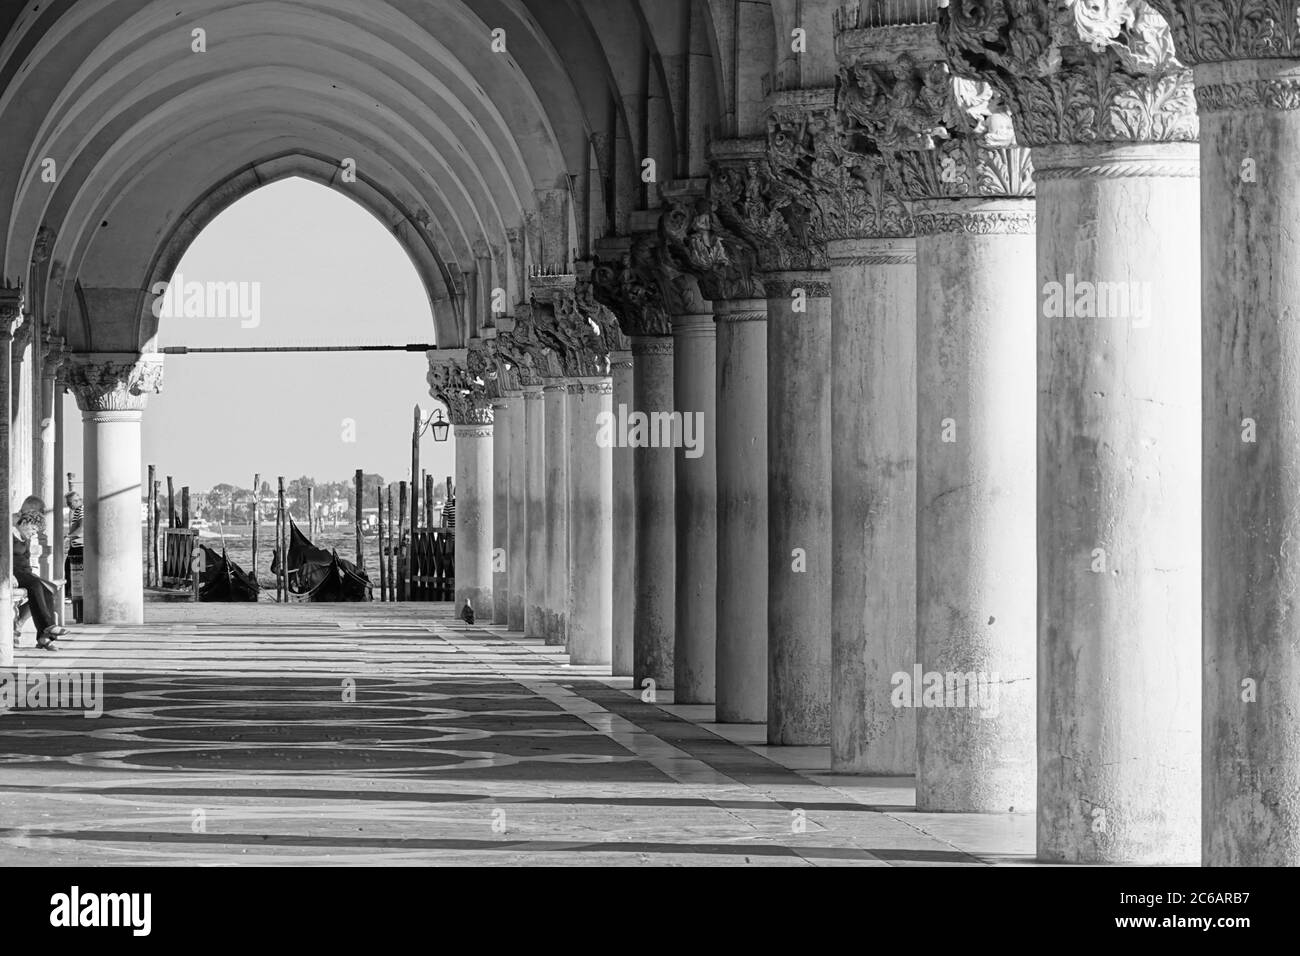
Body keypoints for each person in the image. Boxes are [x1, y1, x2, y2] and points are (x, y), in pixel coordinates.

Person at [13, 495, 67, 650]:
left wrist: (33, 576)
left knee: (48, 590)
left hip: (24, 573)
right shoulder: (9, 531)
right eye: (34, 529)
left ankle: (43, 638)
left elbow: (27, 560)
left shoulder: (26, 537)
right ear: (26, 521)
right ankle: (48, 626)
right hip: (12, 573)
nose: (34, 533)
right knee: (36, 585)